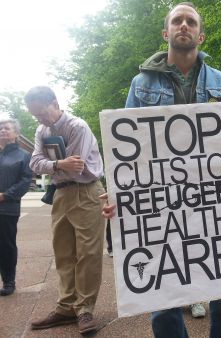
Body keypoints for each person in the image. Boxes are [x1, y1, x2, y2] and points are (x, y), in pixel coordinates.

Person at [103, 3, 221, 338]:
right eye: (177, 21)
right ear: (166, 33)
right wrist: (119, 191)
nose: (184, 25)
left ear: (200, 34)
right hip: (160, 204)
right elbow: (125, 147)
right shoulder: (140, 84)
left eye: (191, 21)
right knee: (163, 297)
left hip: (212, 201)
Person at [25, 86, 106, 335]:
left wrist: (51, 166)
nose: (39, 119)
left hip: (87, 191)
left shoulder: (77, 126)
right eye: (34, 115)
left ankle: (84, 310)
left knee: (88, 253)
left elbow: (77, 166)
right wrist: (58, 164)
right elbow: (34, 163)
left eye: (41, 112)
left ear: (54, 103)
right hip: (61, 193)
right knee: (63, 252)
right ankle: (65, 306)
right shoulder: (42, 129)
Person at [0, 118, 32, 296]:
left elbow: (25, 181)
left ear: (16, 134)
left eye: (7, 128)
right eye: (0, 128)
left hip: (7, 208)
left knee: (6, 246)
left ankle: (8, 281)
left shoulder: (22, 155)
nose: (3, 130)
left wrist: (5, 195)